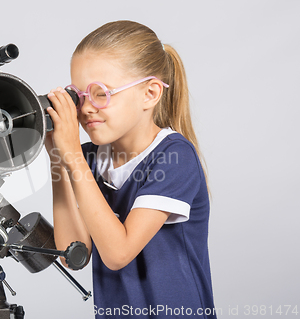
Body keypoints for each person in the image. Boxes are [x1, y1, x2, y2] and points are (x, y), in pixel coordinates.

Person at [44, 21, 217, 318]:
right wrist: (59, 158)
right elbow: (74, 255)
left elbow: (117, 253)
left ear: (149, 94)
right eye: (78, 95)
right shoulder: (86, 159)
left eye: (101, 94)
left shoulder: (174, 156)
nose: (85, 108)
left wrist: (71, 155)